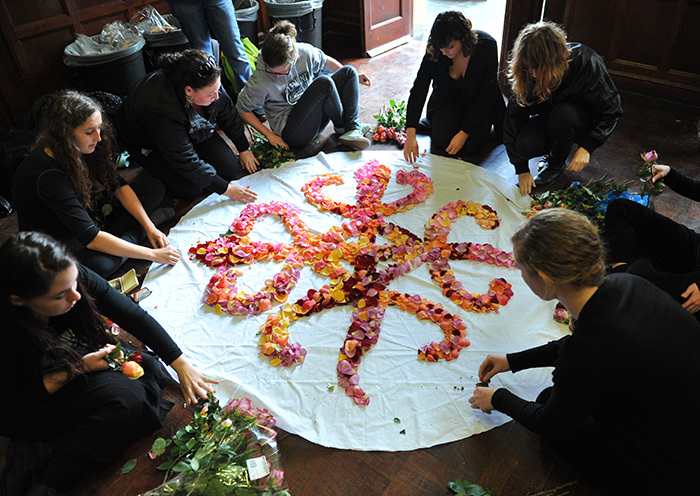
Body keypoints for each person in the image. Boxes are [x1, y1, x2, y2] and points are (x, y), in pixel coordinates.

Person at [467, 209, 700, 493]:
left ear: (543, 277)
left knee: (549, 406)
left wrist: (499, 398)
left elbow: (554, 424)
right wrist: (513, 361)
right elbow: (584, 345)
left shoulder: (588, 349)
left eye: (521, 269)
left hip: (676, 464)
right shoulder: (627, 281)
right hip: (683, 404)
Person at [0, 231, 218, 496]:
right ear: (19, 301)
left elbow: (130, 314)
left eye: (74, 283)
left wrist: (180, 363)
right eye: (59, 296)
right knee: (125, 400)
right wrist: (78, 368)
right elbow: (13, 403)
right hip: (22, 397)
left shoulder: (65, 277)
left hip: (53, 355)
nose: (76, 297)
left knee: (147, 366)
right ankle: (50, 476)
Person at [12, 90, 180, 278]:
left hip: (87, 215)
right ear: (66, 134)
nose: (98, 137)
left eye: (99, 128)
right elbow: (90, 237)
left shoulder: (80, 146)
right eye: (90, 132)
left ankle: (136, 233)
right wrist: (152, 254)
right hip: (61, 238)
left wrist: (150, 227)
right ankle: (132, 237)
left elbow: (117, 184)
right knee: (103, 265)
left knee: (153, 188)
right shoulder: (49, 175)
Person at [115, 49, 258, 203]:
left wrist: (243, 148)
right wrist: (227, 190)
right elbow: (185, 159)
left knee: (229, 168)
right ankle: (156, 167)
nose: (217, 96)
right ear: (189, 91)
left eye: (218, 90)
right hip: (148, 142)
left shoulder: (210, 83)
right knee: (191, 189)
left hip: (188, 130)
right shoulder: (162, 107)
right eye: (211, 94)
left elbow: (228, 115)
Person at [503, 21, 623, 196]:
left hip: (580, 119)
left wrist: (587, 147)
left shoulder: (586, 61)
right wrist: (521, 169)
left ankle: (556, 163)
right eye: (530, 69)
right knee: (524, 146)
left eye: (538, 69)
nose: (534, 75)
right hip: (550, 116)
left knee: (562, 115)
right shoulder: (527, 72)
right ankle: (555, 147)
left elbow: (612, 110)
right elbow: (512, 118)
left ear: (555, 61)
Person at [236, 21, 372, 156]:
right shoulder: (260, 79)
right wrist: (270, 135)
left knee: (349, 72)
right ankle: (347, 126)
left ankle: (352, 128)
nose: (277, 76)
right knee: (324, 82)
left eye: (281, 72)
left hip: (314, 116)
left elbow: (325, 60)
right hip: (293, 133)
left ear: (294, 58)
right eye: (273, 72)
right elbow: (242, 108)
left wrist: (354, 78)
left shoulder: (304, 52)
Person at [403, 11, 505, 163]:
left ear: (464, 38)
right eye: (441, 48)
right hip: (448, 100)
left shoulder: (487, 46)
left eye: (450, 47)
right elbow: (419, 88)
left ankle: (475, 129)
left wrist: (463, 134)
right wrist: (410, 134)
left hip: (478, 101)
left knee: (472, 147)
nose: (444, 52)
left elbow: (486, 95)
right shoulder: (436, 49)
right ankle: (437, 123)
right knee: (443, 142)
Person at [605, 161, 700, 317]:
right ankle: (623, 274)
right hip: (695, 247)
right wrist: (669, 173)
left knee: (637, 272)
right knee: (621, 209)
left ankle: (626, 276)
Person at [166, 0, 253, 93]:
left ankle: (252, 102)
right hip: (184, 3)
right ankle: (220, 103)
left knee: (236, 52)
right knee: (204, 62)